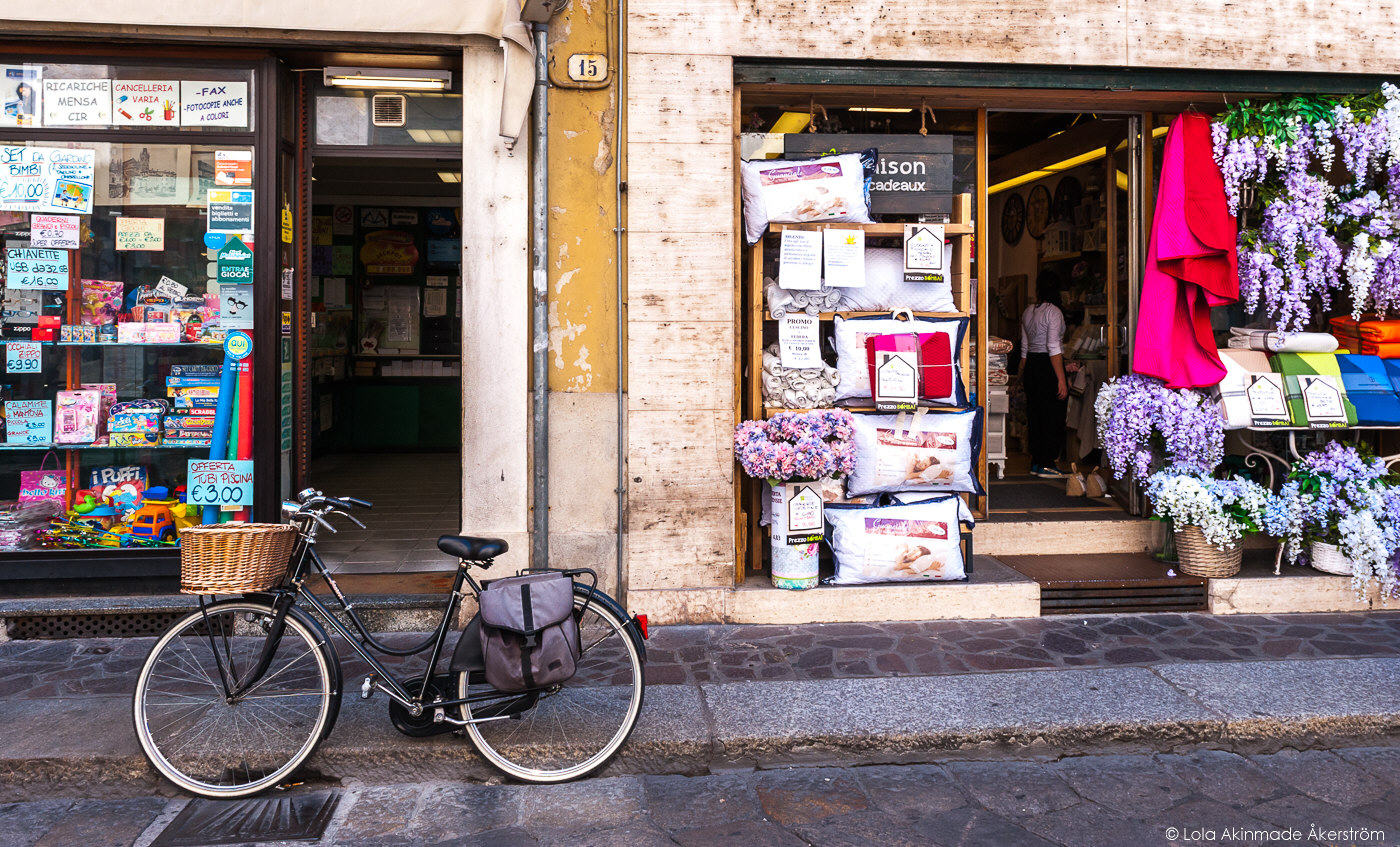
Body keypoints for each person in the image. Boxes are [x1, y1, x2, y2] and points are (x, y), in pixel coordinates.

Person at [1020, 270, 1069, 478]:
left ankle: (1036, 461)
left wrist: (1020, 376)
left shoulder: (1028, 311)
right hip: (1048, 365)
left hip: (1031, 364)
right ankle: (1048, 462)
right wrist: (1061, 379)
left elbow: (1024, 348)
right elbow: (1053, 347)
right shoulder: (1054, 312)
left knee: (1035, 414)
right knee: (1052, 415)